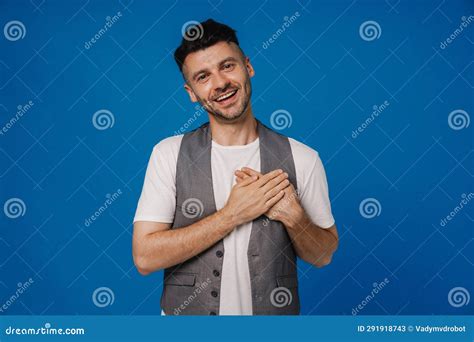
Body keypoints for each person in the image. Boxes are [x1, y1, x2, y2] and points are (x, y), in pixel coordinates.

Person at [132, 19, 338, 315]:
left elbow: (323, 256)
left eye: (227, 66)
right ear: (191, 92)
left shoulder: (303, 158)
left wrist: (295, 217)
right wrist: (232, 215)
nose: (220, 83)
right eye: (203, 76)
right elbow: (145, 258)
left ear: (248, 67)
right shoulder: (168, 154)